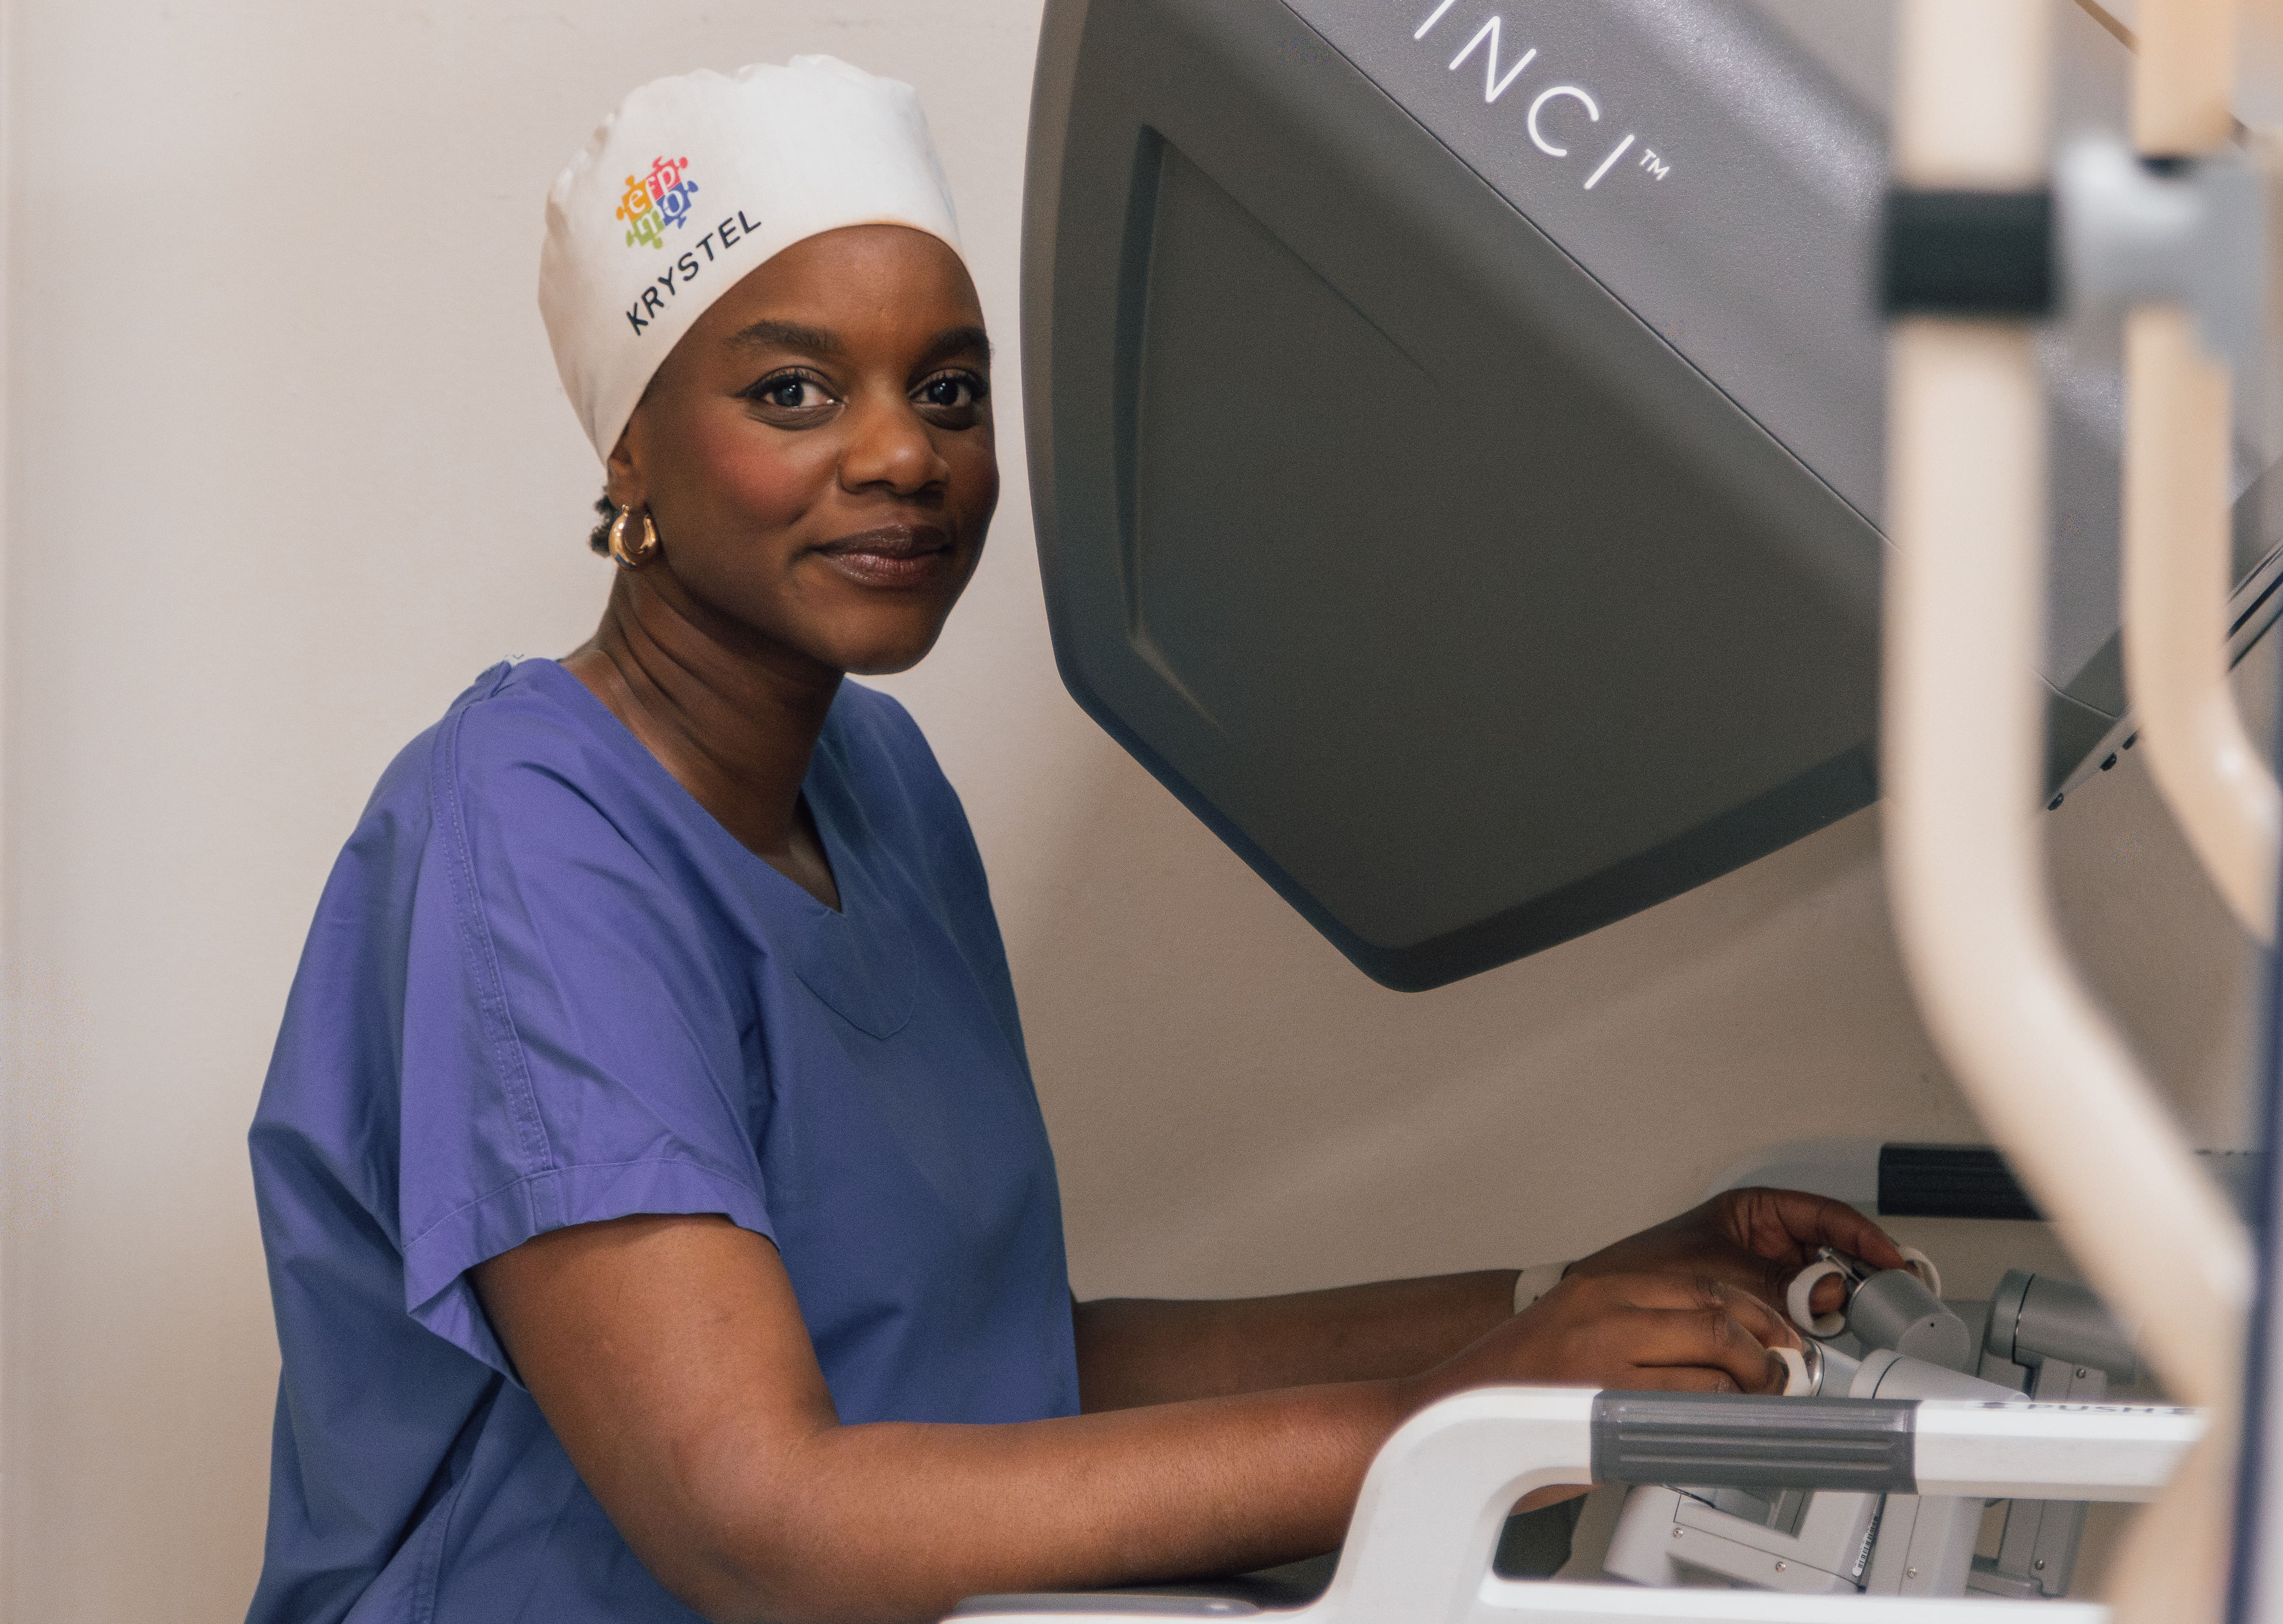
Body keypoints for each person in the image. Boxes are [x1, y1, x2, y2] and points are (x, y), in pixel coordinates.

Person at [245, 55, 1914, 1624]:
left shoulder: (876, 790)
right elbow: (753, 1518)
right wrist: (1451, 1419)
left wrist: (1561, 1303)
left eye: (950, 389)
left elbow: (1006, 1371)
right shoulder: (530, 835)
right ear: (633, 448)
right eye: (796, 388)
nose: (903, 452)